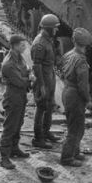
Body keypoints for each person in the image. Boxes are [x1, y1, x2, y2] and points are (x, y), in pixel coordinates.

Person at [59, 28, 92, 167]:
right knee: (74, 129)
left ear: (74, 40)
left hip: (67, 91)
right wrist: (88, 99)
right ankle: (67, 158)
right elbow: (83, 85)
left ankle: (75, 151)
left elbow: (62, 71)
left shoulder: (68, 54)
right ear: (87, 43)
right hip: (76, 96)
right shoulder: (81, 60)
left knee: (78, 126)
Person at [0, 34, 32, 169]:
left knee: (18, 124)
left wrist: (29, 75)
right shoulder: (9, 63)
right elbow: (19, 81)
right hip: (13, 97)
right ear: (15, 46)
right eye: (22, 45)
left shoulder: (19, 58)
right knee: (10, 127)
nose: (24, 47)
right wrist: (30, 79)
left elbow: (27, 70)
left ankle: (14, 149)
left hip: (21, 96)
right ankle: (4, 158)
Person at [31, 14, 61, 149]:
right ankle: (38, 138)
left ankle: (46, 132)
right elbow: (36, 66)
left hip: (50, 77)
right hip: (43, 79)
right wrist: (42, 85)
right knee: (41, 108)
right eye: (55, 28)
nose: (56, 30)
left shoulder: (48, 39)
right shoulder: (39, 43)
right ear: (48, 28)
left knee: (49, 106)